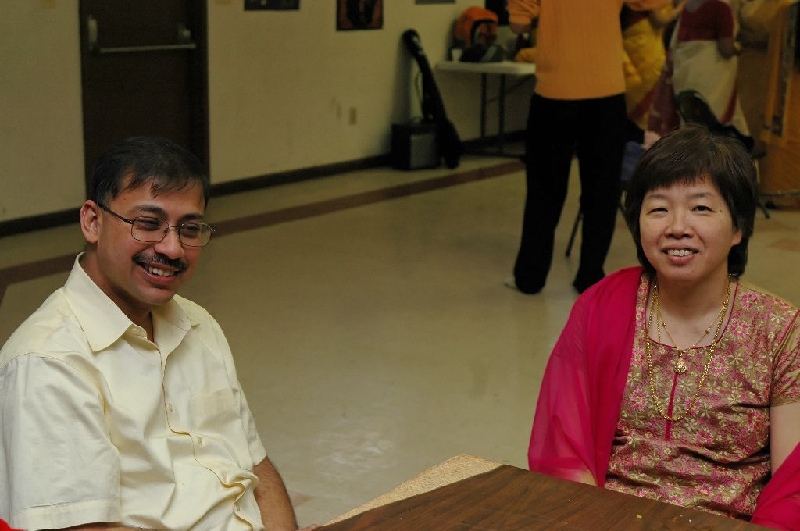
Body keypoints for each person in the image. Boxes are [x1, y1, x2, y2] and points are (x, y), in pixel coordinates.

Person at [0, 137, 300, 530]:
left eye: (189, 228)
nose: (173, 249)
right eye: (147, 224)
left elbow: (257, 467)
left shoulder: (198, 324)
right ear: (92, 222)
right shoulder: (48, 362)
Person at [527, 125, 800, 528]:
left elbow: (793, 486)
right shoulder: (601, 307)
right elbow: (564, 451)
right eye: (658, 209)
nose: (677, 227)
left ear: (738, 227)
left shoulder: (780, 331)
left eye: (701, 208)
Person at [505, 0, 673, 295]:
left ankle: (530, 277)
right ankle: (590, 276)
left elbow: (518, 24)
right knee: (602, 190)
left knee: (544, 189)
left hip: (555, 92)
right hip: (606, 90)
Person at [671, 0, 753, 142]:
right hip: (711, 79)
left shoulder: (690, 5)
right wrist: (739, 47)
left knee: (691, 129)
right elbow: (726, 50)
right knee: (714, 131)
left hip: (686, 75)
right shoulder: (720, 7)